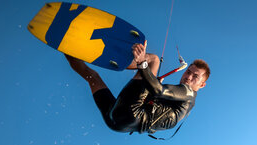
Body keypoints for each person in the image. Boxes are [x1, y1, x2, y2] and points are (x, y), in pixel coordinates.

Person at [65, 41, 210, 135]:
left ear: (202, 85)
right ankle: (65, 46)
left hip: (133, 113)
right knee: (92, 78)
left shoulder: (189, 93)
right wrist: (152, 82)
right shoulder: (182, 101)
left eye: (195, 76)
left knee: (153, 60)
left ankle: (113, 58)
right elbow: (157, 97)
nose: (188, 77)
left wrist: (142, 64)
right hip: (116, 122)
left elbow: (158, 90)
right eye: (188, 72)